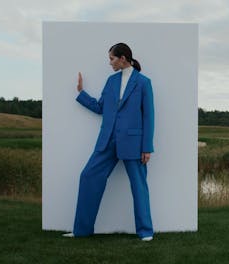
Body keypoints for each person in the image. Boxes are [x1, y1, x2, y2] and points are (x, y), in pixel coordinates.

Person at [62, 43, 155, 241]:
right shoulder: (111, 81)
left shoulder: (143, 83)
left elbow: (149, 116)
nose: (110, 63)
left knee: (139, 186)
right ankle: (81, 230)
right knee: (88, 177)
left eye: (112, 59)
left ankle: (145, 231)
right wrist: (81, 93)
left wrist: (147, 147)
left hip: (133, 143)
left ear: (123, 58)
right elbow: (100, 107)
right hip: (107, 141)